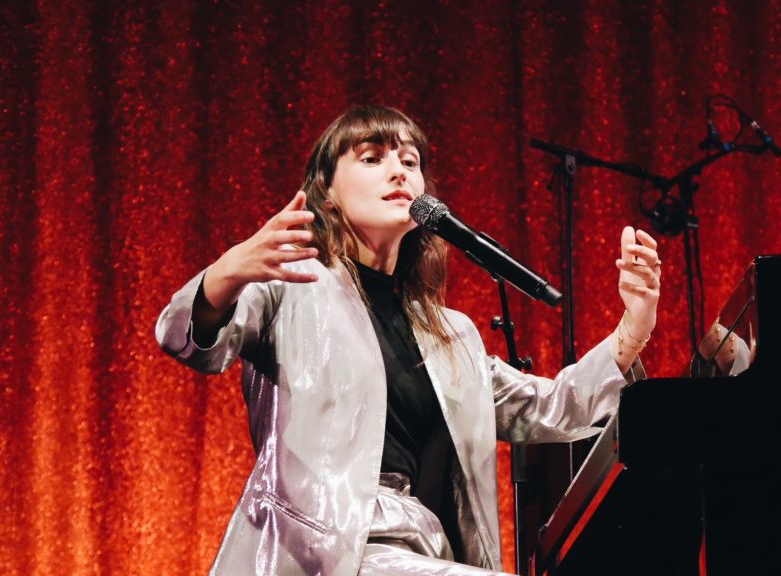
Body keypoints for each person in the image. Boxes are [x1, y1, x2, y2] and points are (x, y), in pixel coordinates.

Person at [155, 105, 662, 576]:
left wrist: (633, 328)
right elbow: (185, 338)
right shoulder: (292, 284)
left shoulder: (450, 335)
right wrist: (227, 273)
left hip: (419, 549)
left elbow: (552, 408)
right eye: (372, 158)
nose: (398, 172)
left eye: (410, 161)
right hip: (319, 551)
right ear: (326, 192)